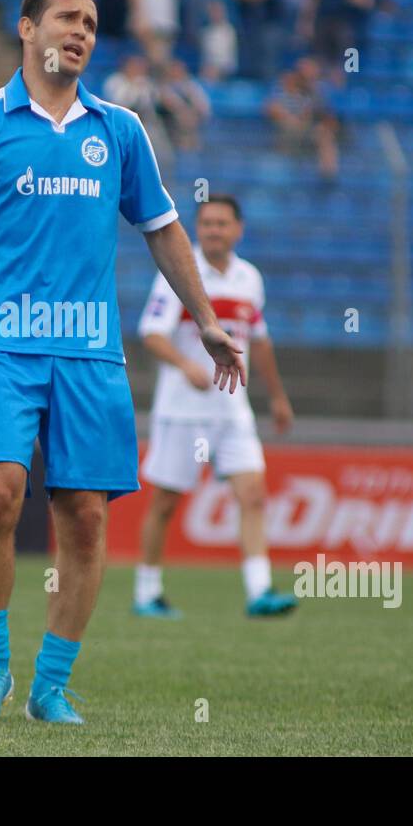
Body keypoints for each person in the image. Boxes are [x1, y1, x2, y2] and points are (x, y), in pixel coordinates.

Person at [0, 0, 245, 725]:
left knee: (86, 516)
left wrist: (206, 318)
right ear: (27, 29)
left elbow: (161, 226)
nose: (81, 31)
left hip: (90, 352)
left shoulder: (119, 130)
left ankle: (50, 685)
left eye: (91, 22)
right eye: (66, 17)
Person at [135, 194, 295, 619]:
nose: (213, 230)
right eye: (206, 223)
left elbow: (258, 342)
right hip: (184, 410)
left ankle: (259, 590)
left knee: (254, 494)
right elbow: (151, 332)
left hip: (232, 410)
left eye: (222, 223)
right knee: (167, 503)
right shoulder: (180, 273)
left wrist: (277, 397)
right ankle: (147, 591)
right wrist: (186, 364)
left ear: (238, 229)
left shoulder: (249, 279)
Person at [265, 55, 340, 179]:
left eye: (312, 72)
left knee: (325, 135)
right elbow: (270, 107)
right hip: (287, 131)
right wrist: (290, 118)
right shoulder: (285, 85)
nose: (308, 76)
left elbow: (329, 118)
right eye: (304, 72)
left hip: (309, 132)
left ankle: (328, 175)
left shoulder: (319, 92)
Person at [157, 58, 210, 151]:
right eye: (174, 70)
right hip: (169, 124)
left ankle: (191, 145)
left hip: (193, 122)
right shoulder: (163, 87)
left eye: (179, 70)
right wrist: (183, 111)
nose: (176, 73)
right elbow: (169, 103)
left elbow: (204, 108)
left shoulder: (192, 86)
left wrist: (193, 113)